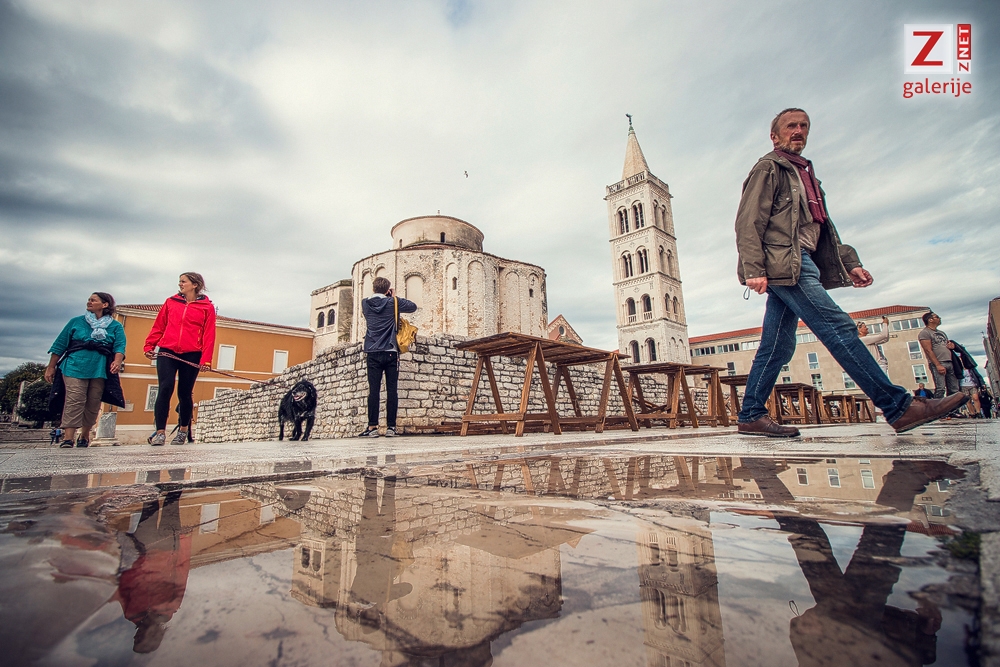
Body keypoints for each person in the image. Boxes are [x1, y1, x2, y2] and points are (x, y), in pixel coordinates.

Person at [734, 108, 966, 436]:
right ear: (775, 136)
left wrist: (849, 261)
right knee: (838, 327)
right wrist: (754, 268)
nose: (798, 130)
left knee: (778, 346)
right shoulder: (769, 168)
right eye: (790, 126)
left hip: (801, 261)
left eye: (803, 126)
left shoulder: (807, 176)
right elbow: (748, 220)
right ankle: (897, 407)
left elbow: (823, 229)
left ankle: (750, 415)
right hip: (786, 263)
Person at [45, 292, 126, 448]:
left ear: (105, 304)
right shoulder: (76, 322)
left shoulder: (115, 326)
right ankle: (68, 438)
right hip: (74, 365)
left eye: (93, 300)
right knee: (74, 399)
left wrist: (117, 361)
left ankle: (84, 435)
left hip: (99, 367)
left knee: (93, 401)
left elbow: (119, 346)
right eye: (89, 299)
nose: (89, 302)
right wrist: (51, 367)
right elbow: (60, 344)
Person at [143, 273, 216, 446]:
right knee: (165, 388)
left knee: (184, 392)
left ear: (195, 285)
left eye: (184, 281)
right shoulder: (171, 302)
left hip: (192, 353)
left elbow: (209, 334)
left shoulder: (207, 307)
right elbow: (159, 325)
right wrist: (149, 345)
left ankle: (183, 430)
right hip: (167, 350)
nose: (180, 284)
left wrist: (206, 360)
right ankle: (160, 432)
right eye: (180, 281)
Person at [359, 277, 416, 437]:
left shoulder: (365, 303)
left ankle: (372, 427)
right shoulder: (393, 302)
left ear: (373, 288)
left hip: (372, 351)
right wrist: (394, 298)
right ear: (387, 290)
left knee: (374, 391)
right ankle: (391, 427)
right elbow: (413, 306)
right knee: (392, 390)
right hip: (391, 351)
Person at [917, 312, 959, 399]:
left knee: (954, 388)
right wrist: (937, 365)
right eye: (937, 317)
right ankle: (939, 406)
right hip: (938, 362)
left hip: (949, 361)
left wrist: (952, 346)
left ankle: (953, 406)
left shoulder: (941, 333)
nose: (939, 318)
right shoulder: (925, 333)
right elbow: (928, 350)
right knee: (941, 388)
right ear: (930, 320)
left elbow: (946, 345)